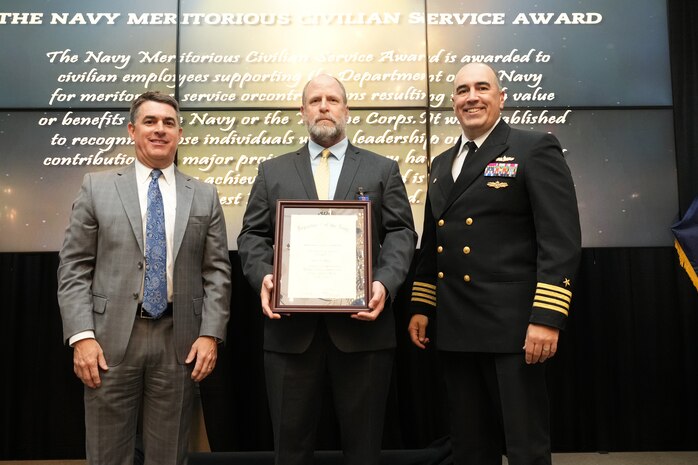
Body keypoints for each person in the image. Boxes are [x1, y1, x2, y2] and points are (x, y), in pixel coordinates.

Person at [237, 74, 417, 465]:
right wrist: (265, 275)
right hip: (289, 335)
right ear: (302, 111)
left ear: (346, 110)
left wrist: (385, 283)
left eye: (332, 99)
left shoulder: (381, 169)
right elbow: (251, 235)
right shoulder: (272, 171)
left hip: (363, 331)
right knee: (290, 451)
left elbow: (402, 232)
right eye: (314, 100)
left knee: (364, 449)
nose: (323, 106)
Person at [408, 63, 581, 465]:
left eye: (482, 88)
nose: (471, 97)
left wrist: (547, 317)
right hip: (456, 326)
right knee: (470, 447)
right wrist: (421, 305)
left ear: (500, 98)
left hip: (514, 328)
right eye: (462, 90)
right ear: (453, 103)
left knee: (525, 446)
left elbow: (560, 239)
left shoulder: (533, 148)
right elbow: (434, 242)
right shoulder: (441, 164)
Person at [57, 91, 232, 465]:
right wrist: (81, 337)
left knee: (168, 456)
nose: (160, 130)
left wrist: (209, 334)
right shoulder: (96, 187)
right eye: (150, 122)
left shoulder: (203, 194)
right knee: (107, 456)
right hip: (108, 344)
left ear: (180, 133)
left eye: (169, 123)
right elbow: (74, 267)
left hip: (179, 343)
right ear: (132, 131)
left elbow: (217, 271)